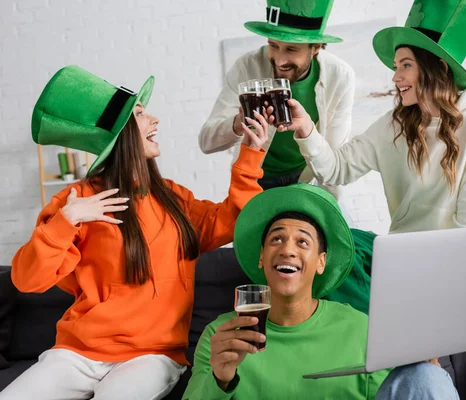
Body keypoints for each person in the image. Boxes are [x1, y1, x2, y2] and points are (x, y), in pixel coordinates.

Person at [270, 0, 466, 399]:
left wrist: (440, 297)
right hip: (403, 253)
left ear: (433, 66)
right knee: (341, 241)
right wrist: (305, 130)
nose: (395, 76)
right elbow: (337, 169)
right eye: (396, 66)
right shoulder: (394, 123)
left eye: (404, 64)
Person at [0, 65, 268, 400]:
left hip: (151, 356)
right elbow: (27, 280)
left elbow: (238, 221)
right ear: (121, 133)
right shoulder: (77, 200)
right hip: (77, 354)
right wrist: (65, 221)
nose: (154, 120)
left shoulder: (173, 199)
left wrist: (251, 154)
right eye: (140, 114)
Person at [182, 184, 459, 399]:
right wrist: (219, 379)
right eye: (276, 239)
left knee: (426, 377)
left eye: (302, 242)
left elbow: (409, 390)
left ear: (321, 262)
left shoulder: (362, 329)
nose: (287, 249)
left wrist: (428, 367)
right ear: (261, 257)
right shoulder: (220, 336)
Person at [198, 0, 354, 202]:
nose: (280, 61)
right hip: (254, 179)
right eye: (273, 45)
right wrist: (238, 123)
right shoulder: (247, 66)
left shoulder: (340, 77)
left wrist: (330, 211)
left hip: (305, 179)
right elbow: (206, 142)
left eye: (291, 49)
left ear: (315, 47)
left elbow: (334, 164)